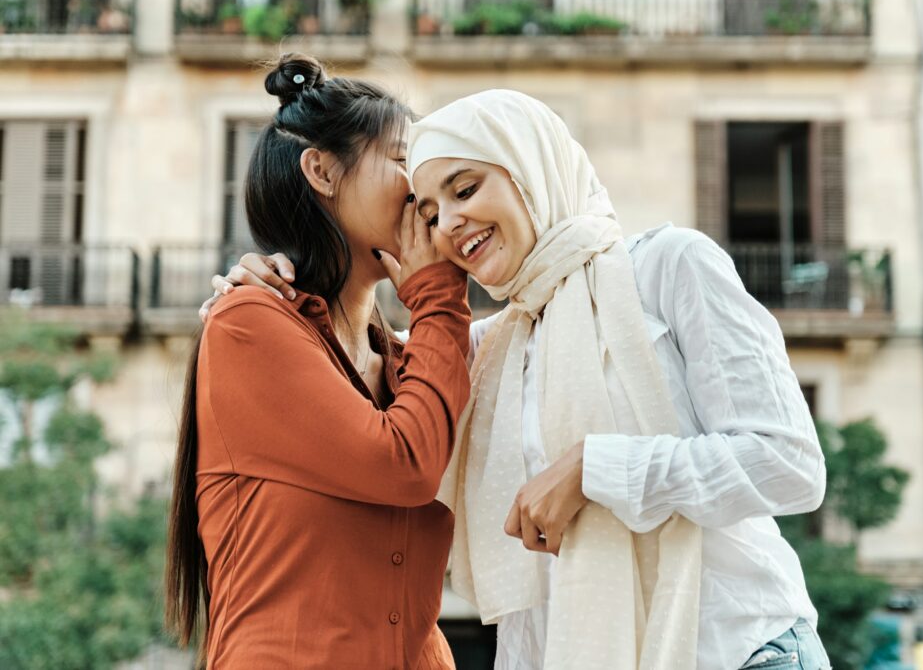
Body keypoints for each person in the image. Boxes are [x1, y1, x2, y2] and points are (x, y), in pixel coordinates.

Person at [208, 88, 830, 670]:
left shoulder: (668, 267)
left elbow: (791, 464)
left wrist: (594, 468)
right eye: (427, 210)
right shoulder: (491, 345)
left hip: (743, 649)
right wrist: (253, 289)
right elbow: (351, 380)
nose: (448, 222)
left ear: (529, 166)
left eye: (466, 187)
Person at [165, 54, 471, 669]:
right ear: (322, 172)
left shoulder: (415, 360)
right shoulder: (249, 323)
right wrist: (437, 293)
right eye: (403, 159)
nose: (423, 184)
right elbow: (404, 463)